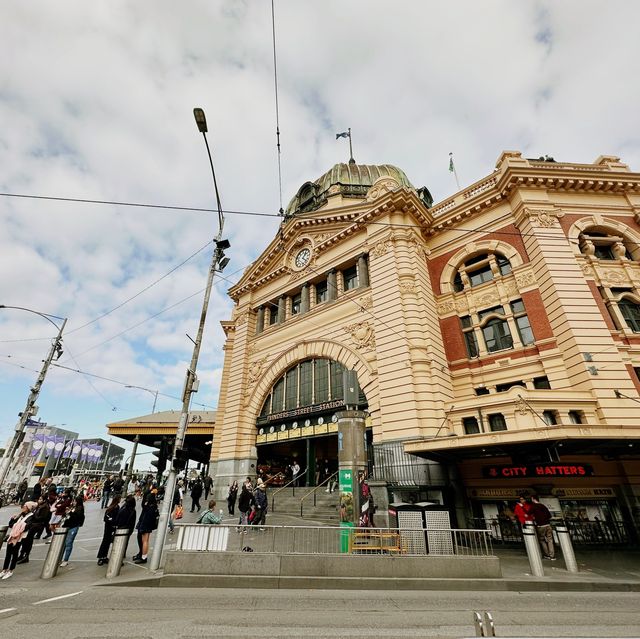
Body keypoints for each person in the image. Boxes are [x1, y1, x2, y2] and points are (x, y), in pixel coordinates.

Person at [1, 502, 35, 579]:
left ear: (28, 508)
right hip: (12, 536)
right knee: (8, 554)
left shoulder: (31, 516)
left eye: (25, 506)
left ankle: (11, 570)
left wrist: (18, 525)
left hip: (19, 538)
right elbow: (11, 525)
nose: (22, 507)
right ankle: (4, 570)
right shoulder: (20, 516)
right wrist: (12, 519)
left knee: (14, 554)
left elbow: (26, 527)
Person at [17, 497, 50, 564]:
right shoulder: (38, 507)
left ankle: (26, 556)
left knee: (28, 541)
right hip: (32, 525)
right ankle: (22, 555)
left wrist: (34, 517)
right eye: (39, 499)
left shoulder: (44, 507)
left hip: (35, 526)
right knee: (24, 541)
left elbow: (42, 518)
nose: (39, 500)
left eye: (41, 499)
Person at [60, 496, 85, 567]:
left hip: (73, 527)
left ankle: (65, 560)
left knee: (68, 543)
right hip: (68, 526)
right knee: (65, 543)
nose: (73, 502)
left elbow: (76, 517)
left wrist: (70, 512)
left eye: (74, 501)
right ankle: (62, 558)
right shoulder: (73, 507)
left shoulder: (80, 509)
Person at [134, 493, 159, 564]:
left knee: (144, 541)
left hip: (145, 525)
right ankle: (143, 556)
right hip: (149, 525)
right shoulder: (154, 506)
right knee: (146, 541)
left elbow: (145, 517)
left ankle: (144, 557)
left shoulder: (149, 507)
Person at [97, 495, 122, 565]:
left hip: (108, 527)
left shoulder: (111, 507)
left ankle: (102, 556)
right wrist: (114, 521)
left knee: (106, 542)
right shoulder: (115, 508)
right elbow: (114, 517)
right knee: (106, 542)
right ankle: (102, 557)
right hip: (111, 527)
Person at [530, 495, 556, 560]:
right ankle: (552, 556)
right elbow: (549, 516)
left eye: (531, 499)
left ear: (533, 499)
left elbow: (528, 513)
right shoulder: (543, 506)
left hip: (541, 526)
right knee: (550, 540)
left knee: (542, 540)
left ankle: (547, 555)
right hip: (548, 525)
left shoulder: (534, 506)